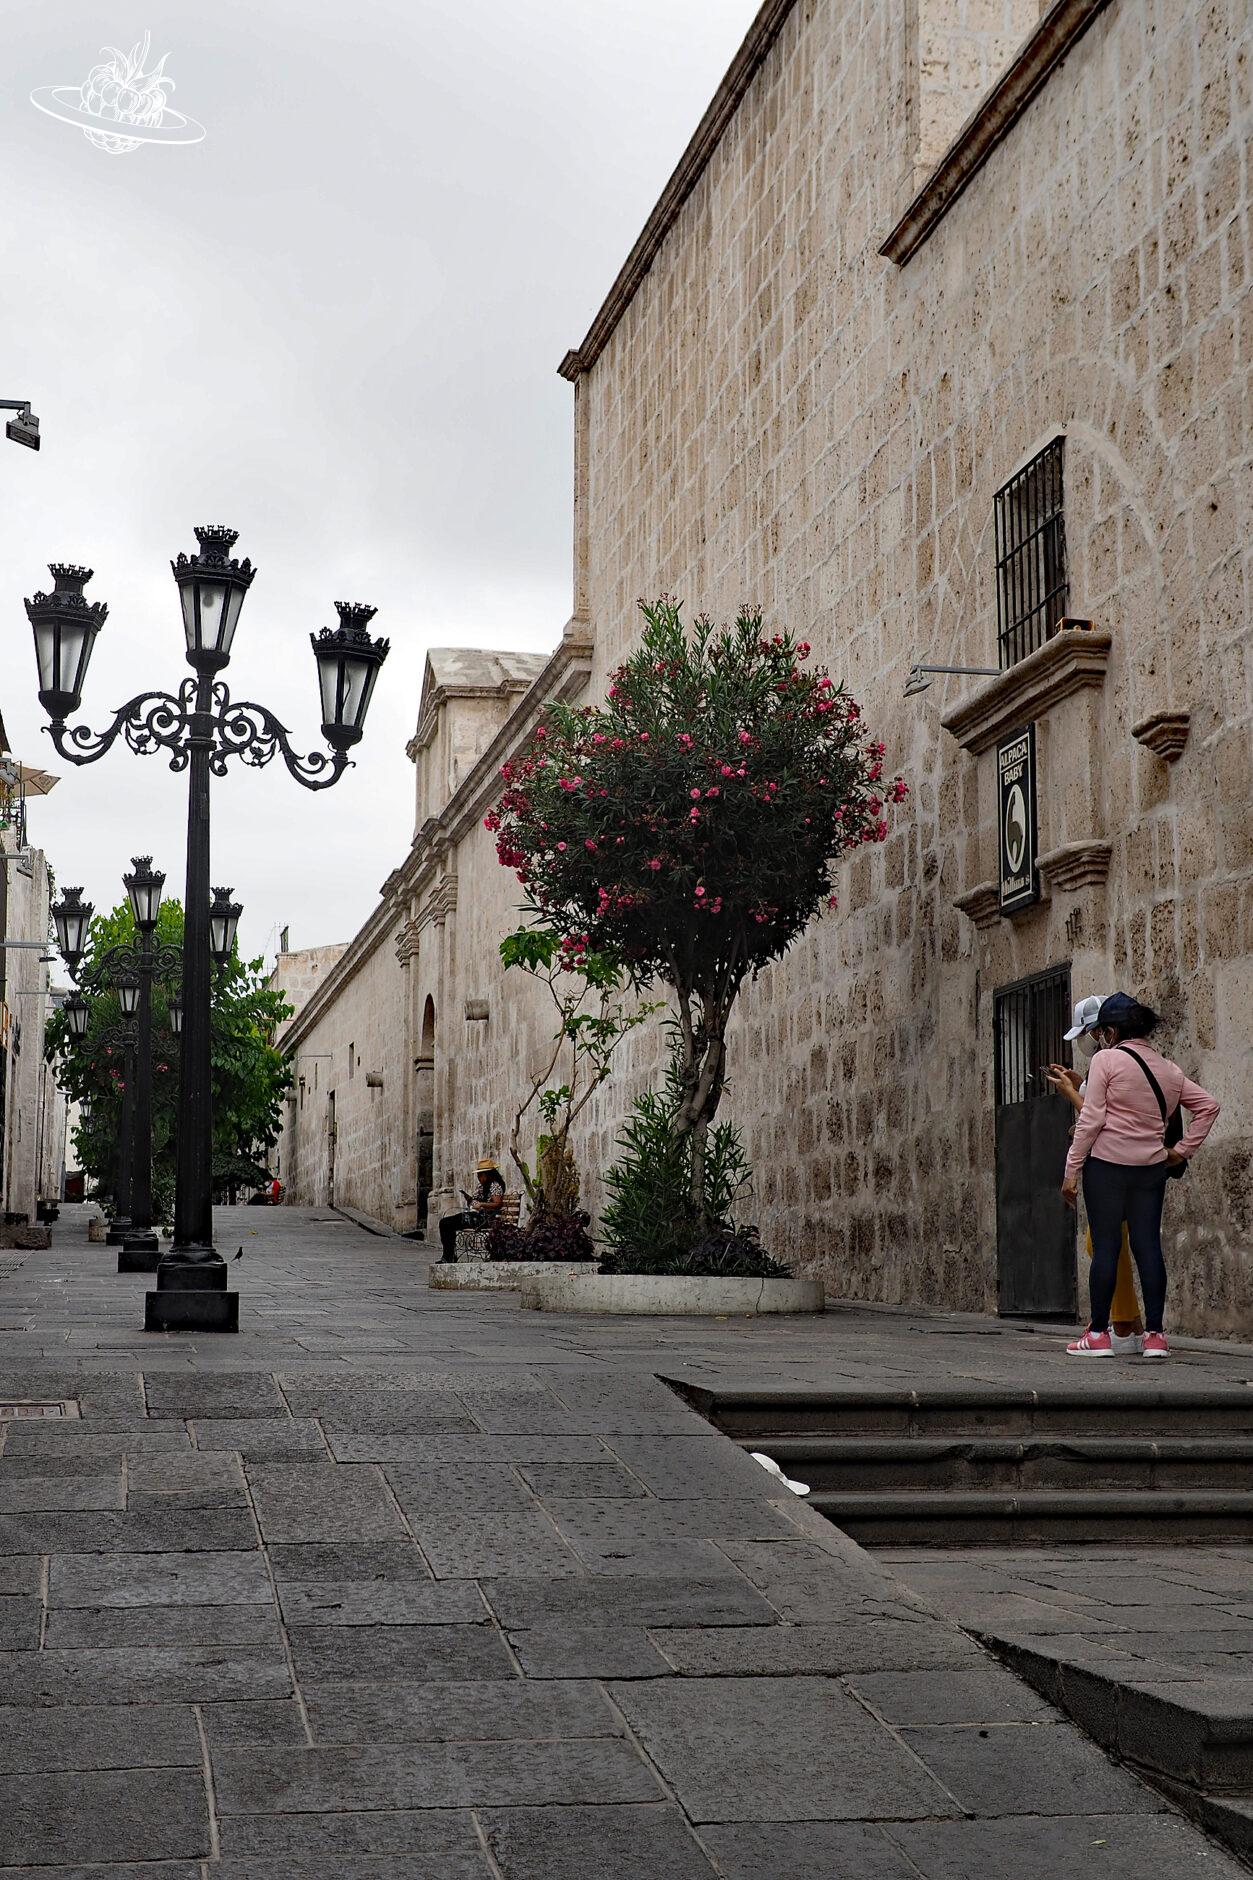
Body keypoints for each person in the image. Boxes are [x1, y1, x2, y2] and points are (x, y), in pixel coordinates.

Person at [1060, 992, 1220, 1359]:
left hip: (1106, 1168)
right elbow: (1208, 1106)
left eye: (1101, 1033)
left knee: (1105, 1247)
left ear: (1111, 1031)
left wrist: (1072, 1169)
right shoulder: (1169, 1068)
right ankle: (1155, 1336)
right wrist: (1181, 1150)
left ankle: (1099, 1334)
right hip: (1150, 1170)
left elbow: (1092, 1119)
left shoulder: (1107, 1061)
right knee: (1148, 1247)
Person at [1045, 995, 1144, 1352]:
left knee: (1106, 1242)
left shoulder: (1113, 1059)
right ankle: (1128, 1322)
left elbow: (1098, 1115)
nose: (1088, 1041)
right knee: (1110, 1242)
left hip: (1118, 1162)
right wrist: (1078, 1082)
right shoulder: (1120, 1060)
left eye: (1089, 1032)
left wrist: (1072, 1092)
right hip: (1129, 1162)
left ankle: (1121, 1325)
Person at [438, 1158, 506, 1263]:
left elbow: (497, 1204)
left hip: (484, 1218)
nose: (479, 1178)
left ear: (487, 1174)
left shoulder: (495, 1185)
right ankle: (448, 1255)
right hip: (476, 1215)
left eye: (480, 1175)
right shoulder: (482, 1186)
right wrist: (470, 1200)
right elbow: (475, 1200)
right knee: (445, 1222)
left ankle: (448, 1256)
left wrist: (482, 1204)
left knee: (447, 1223)